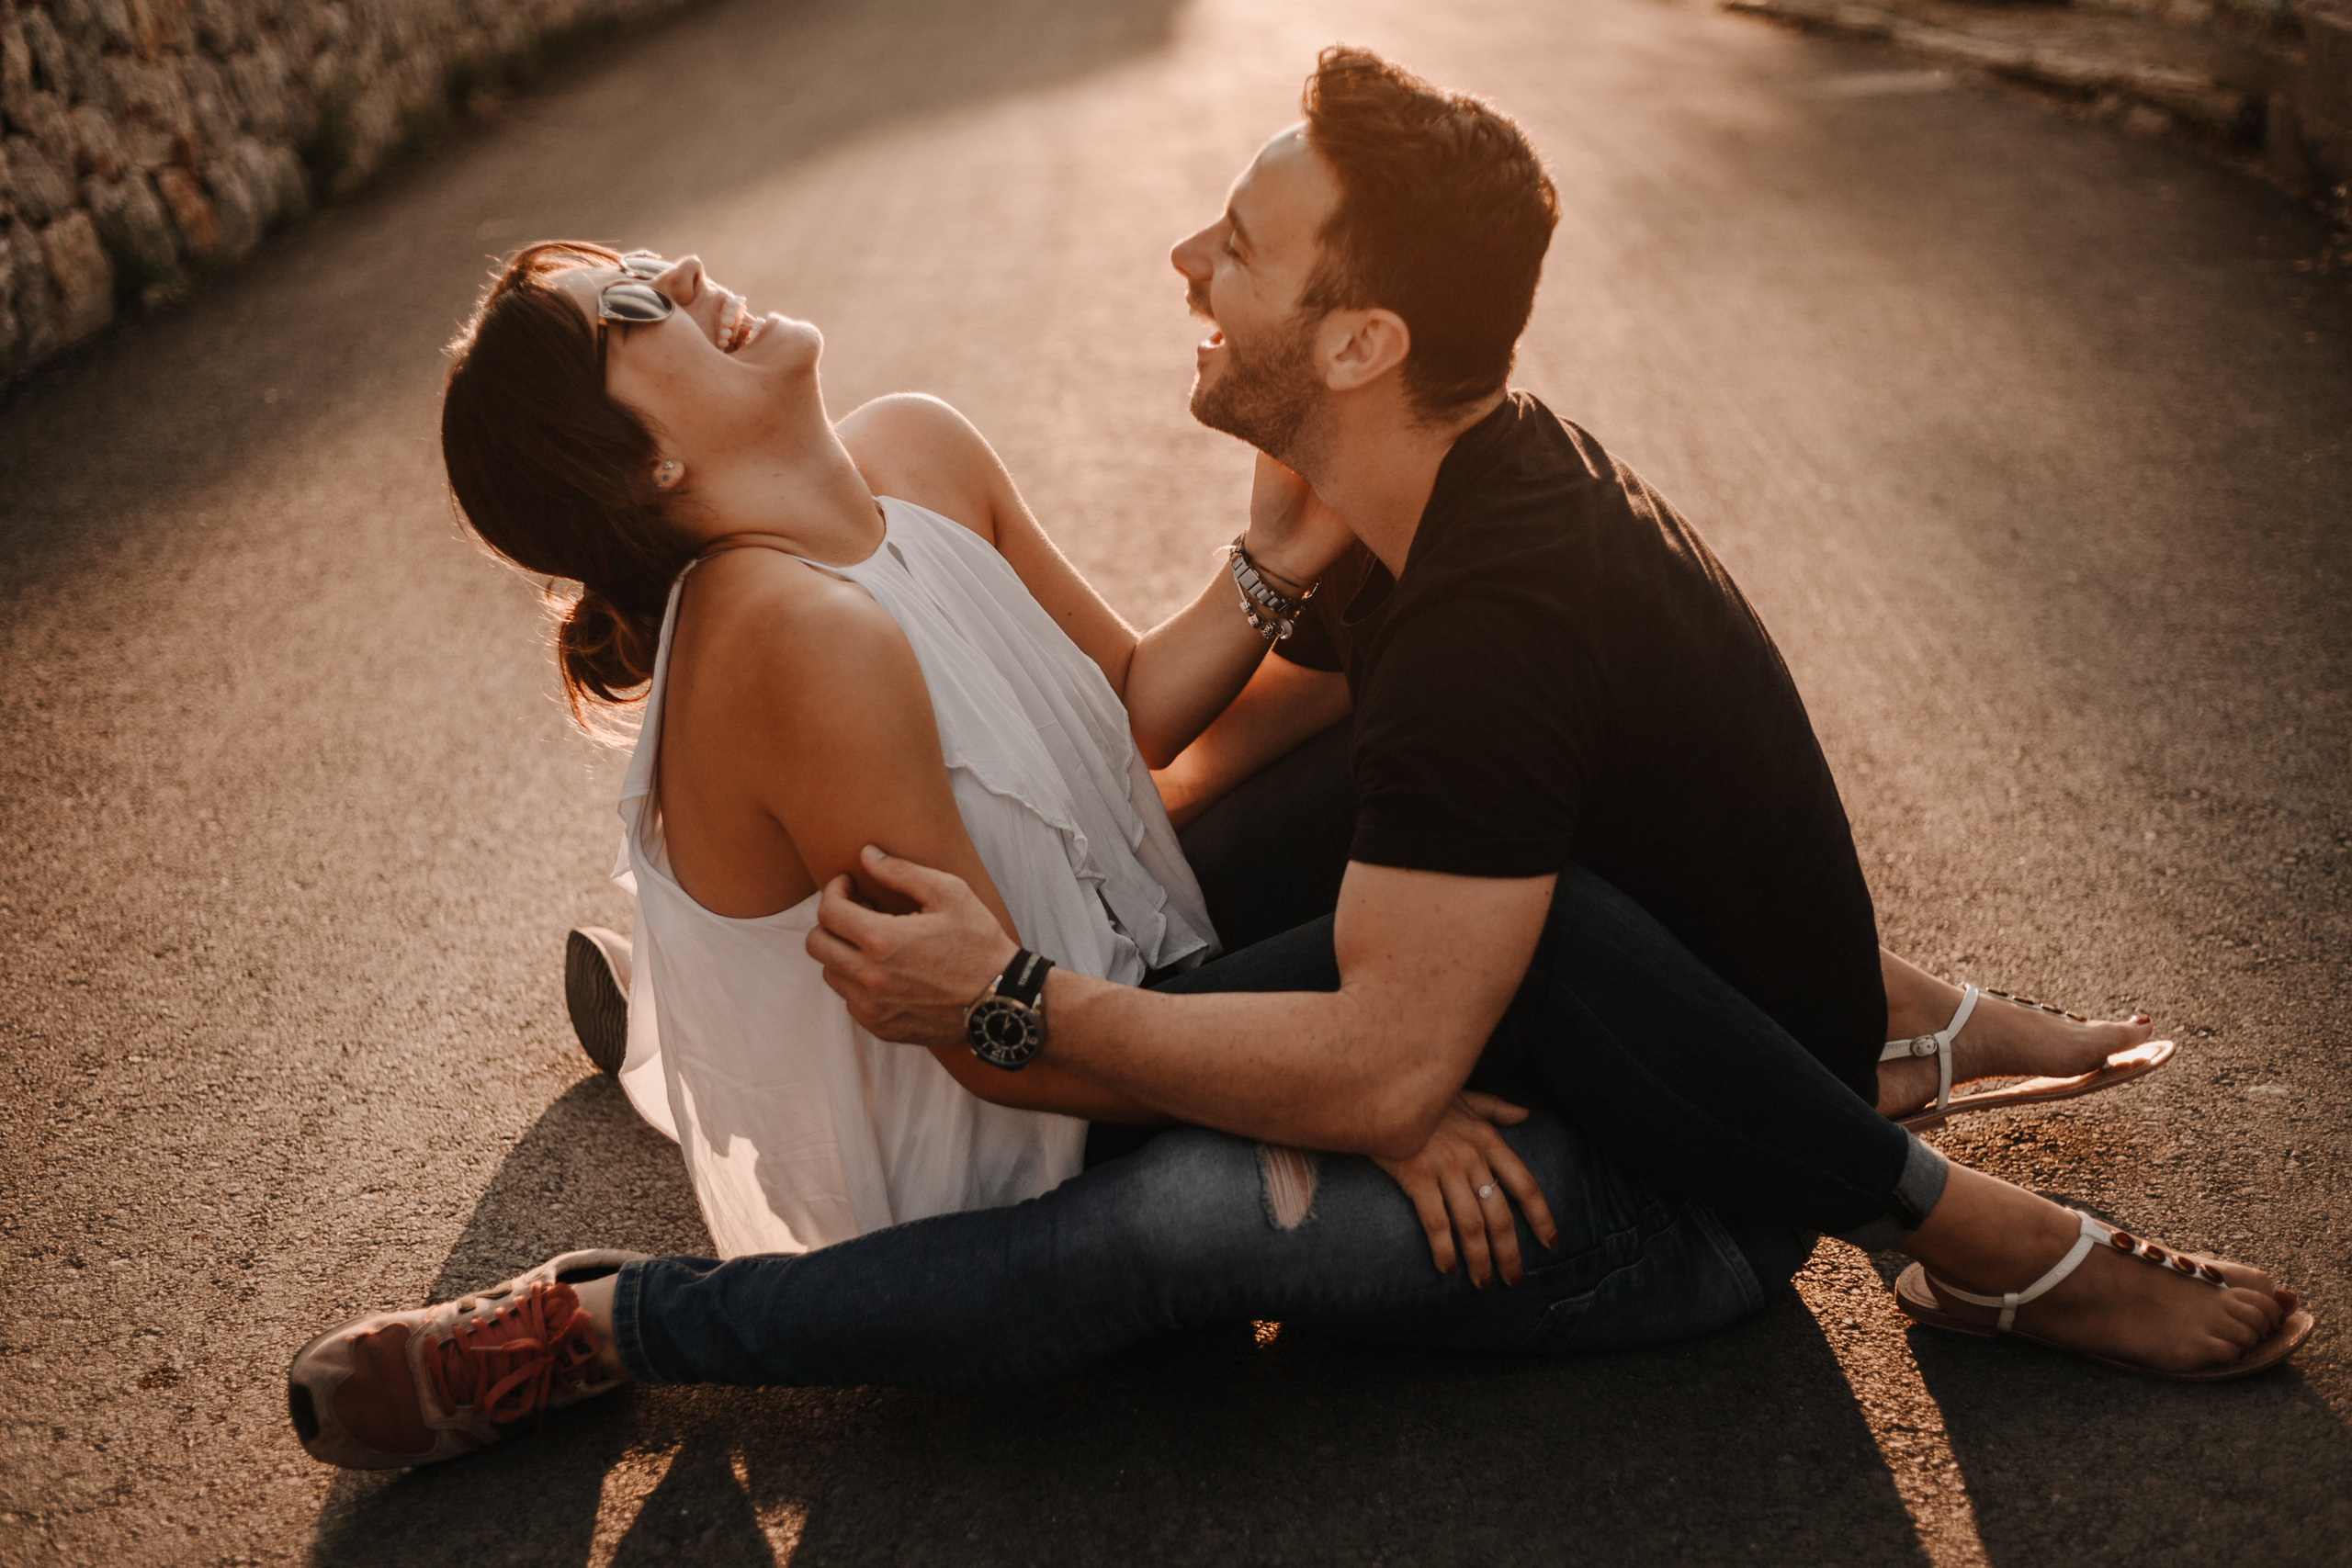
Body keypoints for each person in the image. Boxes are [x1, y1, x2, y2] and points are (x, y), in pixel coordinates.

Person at [287, 48, 2308, 1473]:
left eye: (645, 260)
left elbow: (1104, 733)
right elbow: (997, 1035)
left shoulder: (909, 452)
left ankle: (1869, 1026)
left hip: (1086, 971)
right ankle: (608, 1312)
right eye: (636, 309)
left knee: (1449, 819)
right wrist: (1368, 1089)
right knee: (1247, 1159)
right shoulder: (786, 638)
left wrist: (1276, 576)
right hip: (1030, 1077)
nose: (686, 277)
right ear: (639, 463)